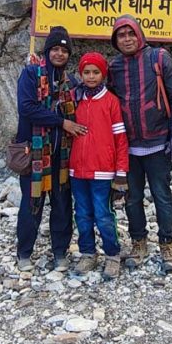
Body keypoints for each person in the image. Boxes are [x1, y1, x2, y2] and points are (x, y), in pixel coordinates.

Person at [108, 15, 172, 273]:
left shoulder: (159, 58)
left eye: (131, 33)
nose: (127, 39)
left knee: (162, 196)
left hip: (158, 144)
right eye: (121, 35)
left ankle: (167, 243)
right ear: (115, 40)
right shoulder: (115, 67)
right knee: (131, 198)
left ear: (140, 35)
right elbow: (106, 101)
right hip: (128, 147)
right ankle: (138, 242)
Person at [15, 26, 87, 272]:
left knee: (62, 203)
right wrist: (62, 122)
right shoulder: (31, 74)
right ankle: (24, 252)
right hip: (34, 153)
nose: (59, 54)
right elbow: (27, 108)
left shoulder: (72, 82)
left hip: (63, 155)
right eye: (55, 49)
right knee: (32, 202)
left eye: (64, 50)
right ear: (47, 52)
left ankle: (60, 252)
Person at [69, 52, 129, 280]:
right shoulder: (75, 99)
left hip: (103, 170)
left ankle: (112, 255)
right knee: (82, 213)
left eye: (96, 72)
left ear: (103, 74)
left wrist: (121, 171)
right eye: (86, 72)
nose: (91, 77)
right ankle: (87, 252)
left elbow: (120, 139)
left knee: (103, 214)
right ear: (81, 74)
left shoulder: (111, 101)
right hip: (77, 169)